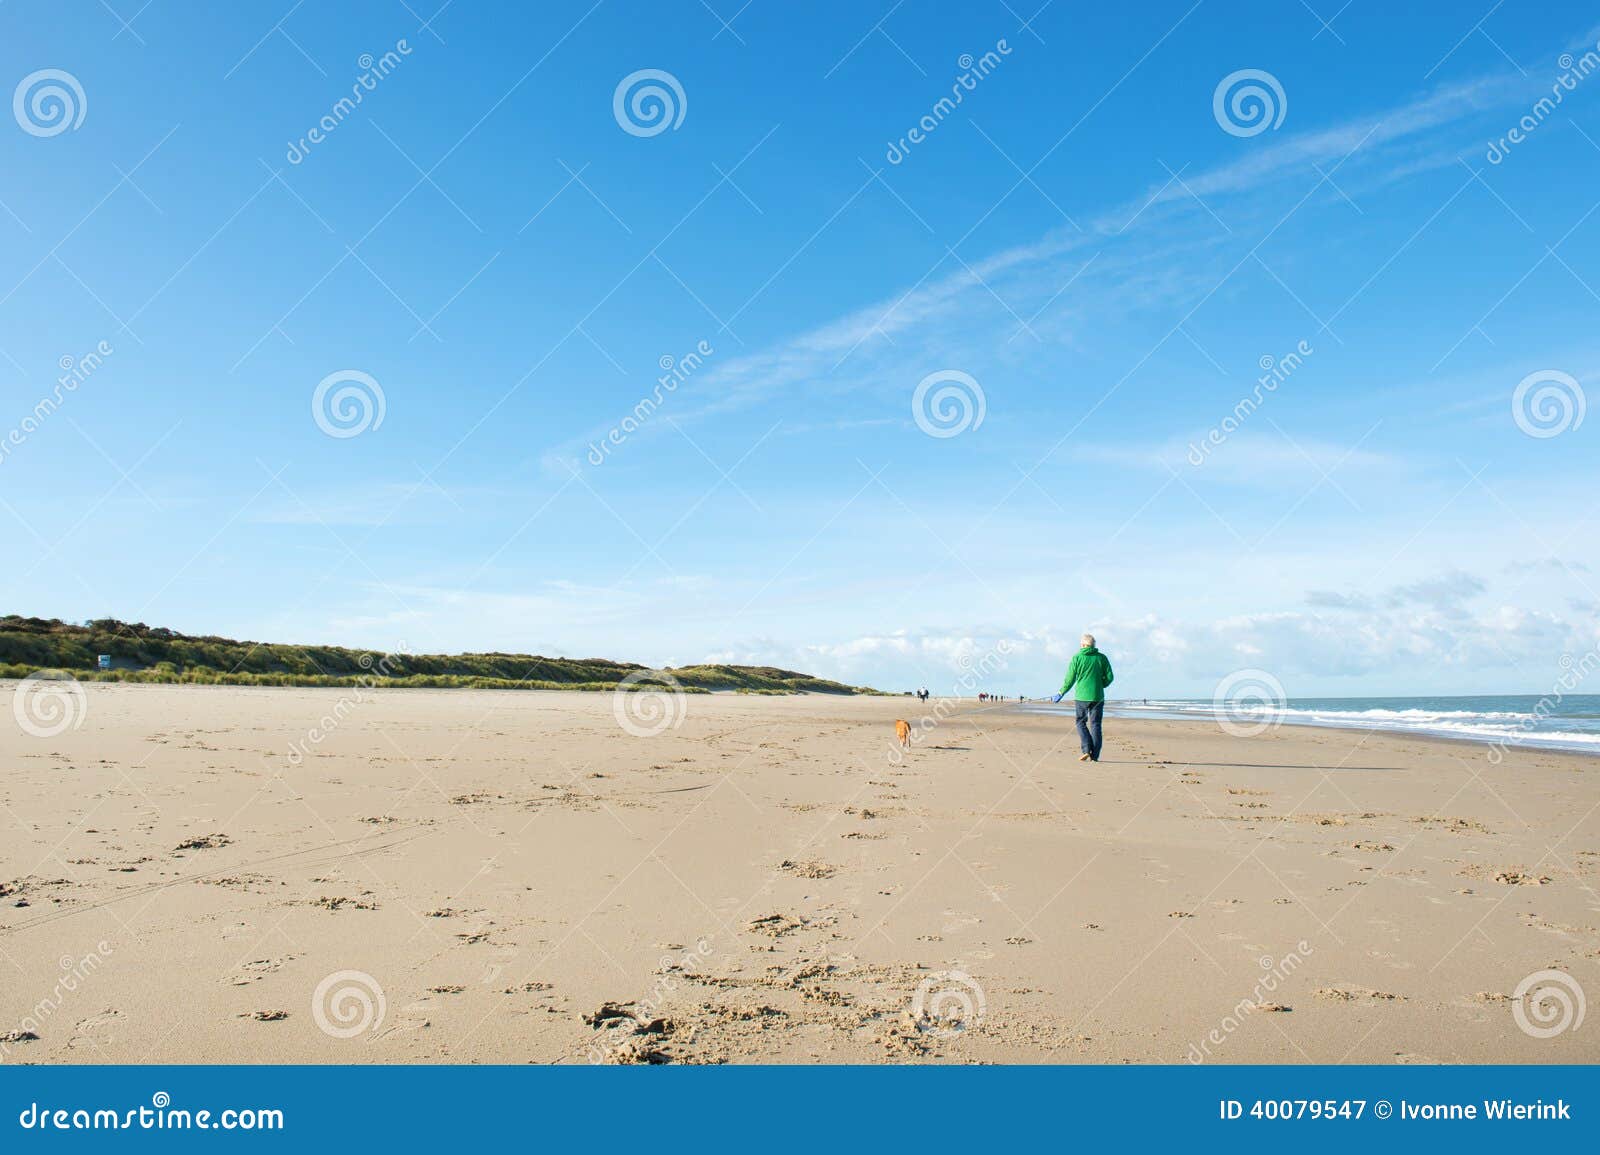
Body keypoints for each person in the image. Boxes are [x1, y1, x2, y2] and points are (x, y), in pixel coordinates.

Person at [1053, 633, 1114, 762]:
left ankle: (1086, 749)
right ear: (1093, 645)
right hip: (1097, 696)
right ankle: (1095, 755)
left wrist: (1061, 692)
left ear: (1082, 645)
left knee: (1081, 722)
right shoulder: (1102, 658)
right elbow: (1110, 677)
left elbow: (1070, 679)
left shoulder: (1077, 658)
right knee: (1096, 725)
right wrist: (1101, 684)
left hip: (1081, 697)